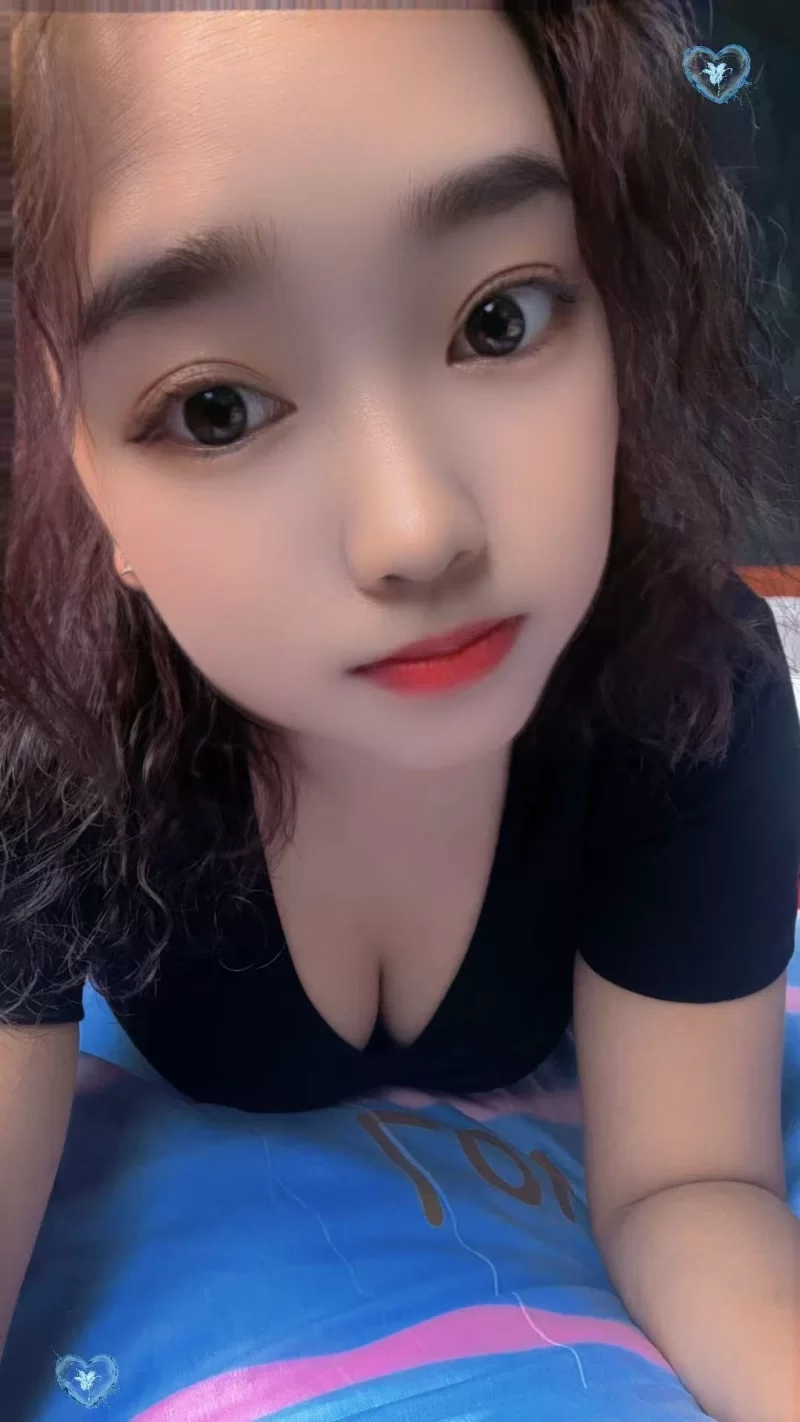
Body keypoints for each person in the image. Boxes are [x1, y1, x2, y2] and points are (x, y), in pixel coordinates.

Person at [2, 2, 799, 1416]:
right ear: (73, 459)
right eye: (215, 409)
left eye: (500, 319)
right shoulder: (45, 739)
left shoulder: (691, 683)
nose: (416, 530)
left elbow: (692, 1181)